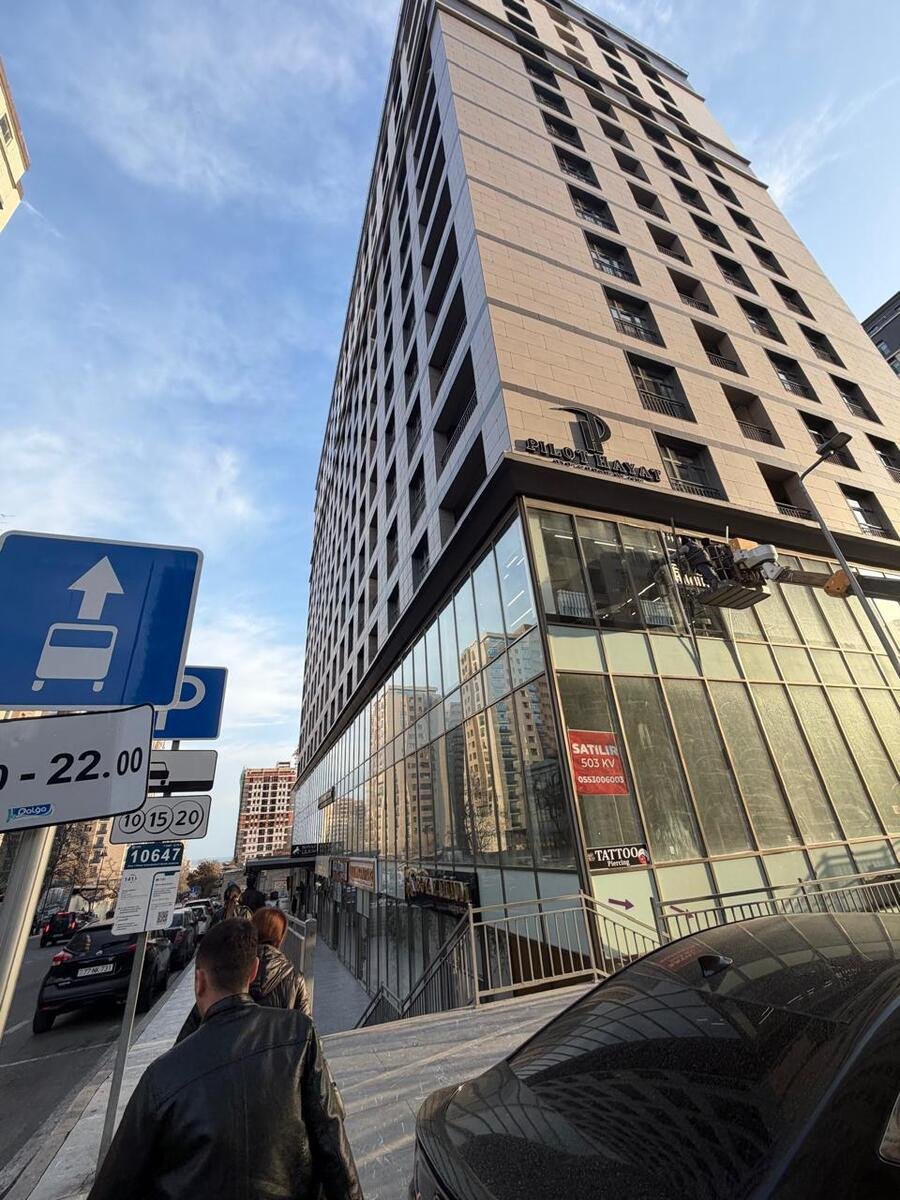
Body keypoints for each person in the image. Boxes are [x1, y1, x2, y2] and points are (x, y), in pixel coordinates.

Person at [89, 920, 361, 1200]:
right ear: (253, 971)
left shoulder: (161, 1078)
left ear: (199, 981)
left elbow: (115, 1184)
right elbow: (332, 1143)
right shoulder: (298, 1032)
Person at [176, 906, 311, 1042]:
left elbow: (187, 1036)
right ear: (280, 938)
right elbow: (307, 1033)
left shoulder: (232, 967)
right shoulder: (295, 979)